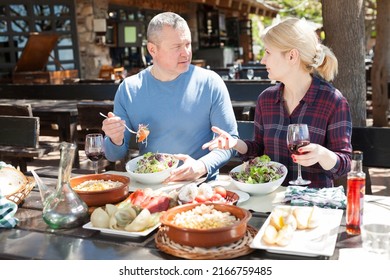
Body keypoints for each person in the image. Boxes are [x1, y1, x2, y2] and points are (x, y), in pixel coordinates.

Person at [202, 18, 352, 188]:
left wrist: (322, 154)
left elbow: (344, 165)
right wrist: (236, 144)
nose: (262, 60)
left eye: (268, 52)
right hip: (270, 199)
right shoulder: (266, 99)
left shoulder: (333, 101)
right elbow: (259, 150)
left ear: (291, 56)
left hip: (312, 205)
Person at [102, 12, 238, 182]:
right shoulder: (129, 88)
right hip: (150, 185)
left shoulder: (210, 82)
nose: (186, 53)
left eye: (187, 44)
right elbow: (114, 155)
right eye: (177, 47)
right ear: (152, 49)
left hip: (199, 186)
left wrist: (202, 166)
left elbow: (230, 142)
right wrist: (115, 139)